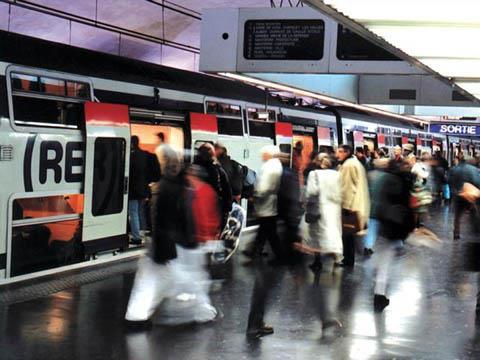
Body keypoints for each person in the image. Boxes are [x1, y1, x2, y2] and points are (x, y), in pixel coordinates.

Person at [124, 148, 194, 327]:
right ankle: (138, 317)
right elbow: (183, 217)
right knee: (162, 280)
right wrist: (189, 239)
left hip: (161, 241)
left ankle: (137, 316)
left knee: (154, 280)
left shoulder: (164, 186)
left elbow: (158, 217)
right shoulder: (178, 187)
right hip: (169, 243)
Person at [373, 159, 415, 311]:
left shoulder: (385, 179)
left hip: (385, 223)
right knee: (386, 260)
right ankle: (379, 295)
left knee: (384, 259)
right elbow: (406, 206)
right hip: (395, 225)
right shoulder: (403, 182)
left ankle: (379, 294)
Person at [243, 145, 284, 263]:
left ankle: (278, 256)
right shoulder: (276, 165)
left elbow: (264, 187)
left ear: (268, 154)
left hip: (266, 204)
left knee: (270, 232)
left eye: (263, 154)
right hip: (270, 204)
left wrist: (255, 195)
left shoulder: (269, 167)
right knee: (266, 230)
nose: (262, 156)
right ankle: (255, 251)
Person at [304, 153, 343, 271]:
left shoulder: (314, 174)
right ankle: (338, 258)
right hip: (334, 208)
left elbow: (311, 192)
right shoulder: (338, 175)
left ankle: (317, 261)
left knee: (316, 234)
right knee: (335, 232)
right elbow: (341, 192)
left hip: (319, 208)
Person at [336, 144, 370, 267]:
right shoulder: (355, 163)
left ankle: (347, 260)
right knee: (349, 235)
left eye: (340, 152)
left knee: (347, 235)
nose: (337, 154)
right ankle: (348, 259)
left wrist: (345, 207)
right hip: (357, 203)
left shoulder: (348, 165)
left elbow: (346, 188)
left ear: (347, 152)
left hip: (350, 205)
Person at [195, 143, 232, 227]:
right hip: (213, 210)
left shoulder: (193, 169)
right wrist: (227, 209)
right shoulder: (217, 170)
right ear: (212, 154)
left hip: (197, 210)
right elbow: (227, 190)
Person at [277, 152, 302, 264]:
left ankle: (293, 257)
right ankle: (293, 256)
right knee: (290, 233)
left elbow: (284, 193)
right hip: (292, 207)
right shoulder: (292, 172)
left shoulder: (283, 173)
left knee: (290, 234)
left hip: (288, 208)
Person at [448, 152, 480, 240]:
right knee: (474, 212)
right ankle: (476, 230)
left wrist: (454, 190)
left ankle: (456, 233)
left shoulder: (454, 169)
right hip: (470, 195)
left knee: (457, 216)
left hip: (458, 194)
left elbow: (449, 180)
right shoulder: (473, 169)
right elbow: (477, 181)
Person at [187, 165, 221, 243]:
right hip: (206, 237)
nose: (187, 177)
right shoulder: (208, 190)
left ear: (194, 177)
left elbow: (203, 216)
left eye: (189, 175)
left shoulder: (199, 192)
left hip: (201, 238)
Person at [364, 157, 389, 256]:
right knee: (374, 226)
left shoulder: (369, 175)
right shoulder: (387, 176)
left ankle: (368, 245)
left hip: (369, 204)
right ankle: (368, 246)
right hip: (380, 207)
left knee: (371, 226)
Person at [128, 136, 150, 245]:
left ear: (131, 143)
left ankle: (136, 237)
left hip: (133, 191)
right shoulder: (145, 155)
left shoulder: (131, 156)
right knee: (141, 212)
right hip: (143, 189)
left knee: (133, 213)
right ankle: (142, 233)